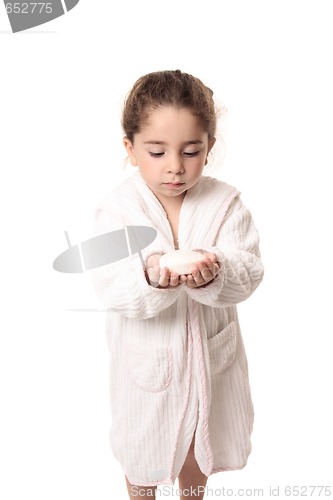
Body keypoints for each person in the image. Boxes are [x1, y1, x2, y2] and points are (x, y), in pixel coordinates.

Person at [91, 70, 264, 500]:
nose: (175, 166)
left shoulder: (225, 203)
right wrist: (150, 275)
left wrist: (218, 271)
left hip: (210, 358)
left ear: (209, 149)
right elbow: (110, 283)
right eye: (156, 151)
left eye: (191, 151)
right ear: (130, 149)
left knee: (197, 448)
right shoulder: (117, 210)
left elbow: (250, 269)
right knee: (143, 449)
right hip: (146, 364)